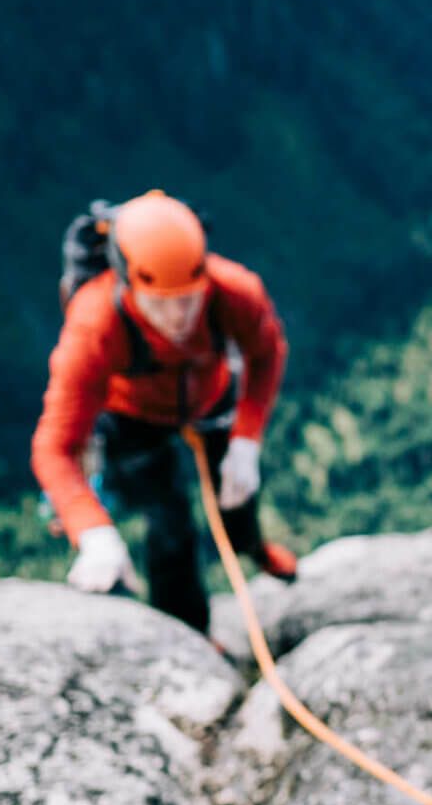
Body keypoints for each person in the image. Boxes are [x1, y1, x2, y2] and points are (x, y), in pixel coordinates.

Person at [32, 190, 295, 635]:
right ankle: (191, 636)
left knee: (238, 492)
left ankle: (251, 546)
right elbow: (54, 448)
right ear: (127, 283)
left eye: (189, 299)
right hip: (134, 419)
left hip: (210, 401)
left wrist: (246, 440)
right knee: (170, 525)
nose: (178, 317)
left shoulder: (232, 291)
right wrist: (93, 533)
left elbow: (267, 353)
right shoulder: (94, 325)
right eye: (161, 302)